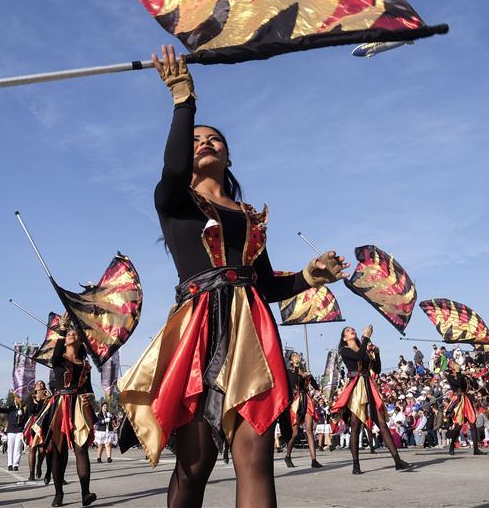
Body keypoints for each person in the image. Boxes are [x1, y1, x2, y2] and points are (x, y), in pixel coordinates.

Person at [118, 46, 348, 508]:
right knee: (195, 464)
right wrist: (184, 100)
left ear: (229, 156)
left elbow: (266, 285)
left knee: (255, 459)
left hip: (251, 333)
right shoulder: (173, 201)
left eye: (215, 141)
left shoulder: (248, 216)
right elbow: (176, 166)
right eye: (198, 139)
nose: (205, 143)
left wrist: (310, 275)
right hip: (198, 330)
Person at [332, 326, 412, 474]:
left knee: (381, 422)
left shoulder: (365, 348)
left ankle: (397, 460)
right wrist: (366, 338)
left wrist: (377, 353)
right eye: (348, 331)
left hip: (369, 384)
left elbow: (377, 369)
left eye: (352, 330)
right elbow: (358, 357)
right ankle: (356, 464)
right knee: (355, 424)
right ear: (344, 338)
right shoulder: (344, 350)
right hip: (356, 386)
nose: (352, 331)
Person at [33, 324, 97, 507]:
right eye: (68, 334)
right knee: (58, 452)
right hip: (60, 405)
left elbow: (89, 389)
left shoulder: (85, 365)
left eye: (74, 333)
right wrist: (61, 329)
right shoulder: (58, 360)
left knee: (81, 448)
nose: (71, 335)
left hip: (78, 407)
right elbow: (56, 352)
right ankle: (58, 493)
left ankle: (85, 493)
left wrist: (89, 398)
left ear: (80, 340)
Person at [282, 352, 322, 469]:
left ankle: (314, 460)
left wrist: (309, 376)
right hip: (295, 401)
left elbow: (316, 386)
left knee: (309, 430)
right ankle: (288, 455)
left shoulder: (305, 372)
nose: (296, 357)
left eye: (297, 355)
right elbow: (292, 384)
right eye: (294, 356)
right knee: (294, 433)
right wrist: (298, 371)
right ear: (290, 361)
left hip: (306, 400)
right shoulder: (289, 372)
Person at [444, 361, 485, 456]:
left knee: (473, 424)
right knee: (458, 426)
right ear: (451, 367)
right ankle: (451, 445)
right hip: (458, 400)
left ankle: (476, 449)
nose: (455, 364)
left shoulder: (463, 375)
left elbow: (475, 386)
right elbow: (457, 383)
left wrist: (471, 376)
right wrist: (460, 373)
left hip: (466, 400)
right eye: (453, 363)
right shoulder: (450, 376)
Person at [23, 380, 52, 483]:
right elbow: (30, 411)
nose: (40, 385)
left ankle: (39, 465)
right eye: (38, 384)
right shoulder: (32, 397)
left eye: (42, 383)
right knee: (32, 448)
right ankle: (31, 473)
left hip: (43, 423)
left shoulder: (47, 398)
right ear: (35, 387)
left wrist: (46, 399)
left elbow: (48, 410)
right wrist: (36, 401)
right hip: (34, 423)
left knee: (42, 450)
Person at [0, 392, 26, 473]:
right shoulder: (11, 408)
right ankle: (10, 464)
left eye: (17, 399)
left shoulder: (24, 408)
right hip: (11, 430)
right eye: (15, 399)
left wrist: (22, 414)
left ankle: (15, 465)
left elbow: (26, 418)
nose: (16, 400)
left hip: (20, 430)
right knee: (10, 447)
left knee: (18, 448)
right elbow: (0, 410)